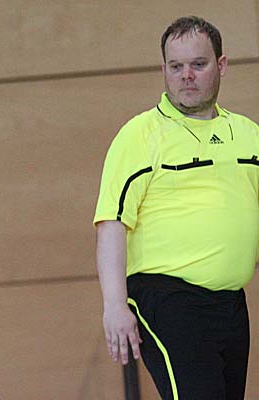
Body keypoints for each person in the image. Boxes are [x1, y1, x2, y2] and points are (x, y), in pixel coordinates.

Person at [94, 15, 259, 399]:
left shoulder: (248, 135)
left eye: (198, 64)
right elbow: (111, 223)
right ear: (164, 70)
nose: (186, 76)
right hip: (167, 297)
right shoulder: (140, 135)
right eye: (175, 66)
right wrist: (114, 305)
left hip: (231, 301)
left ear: (221, 65)